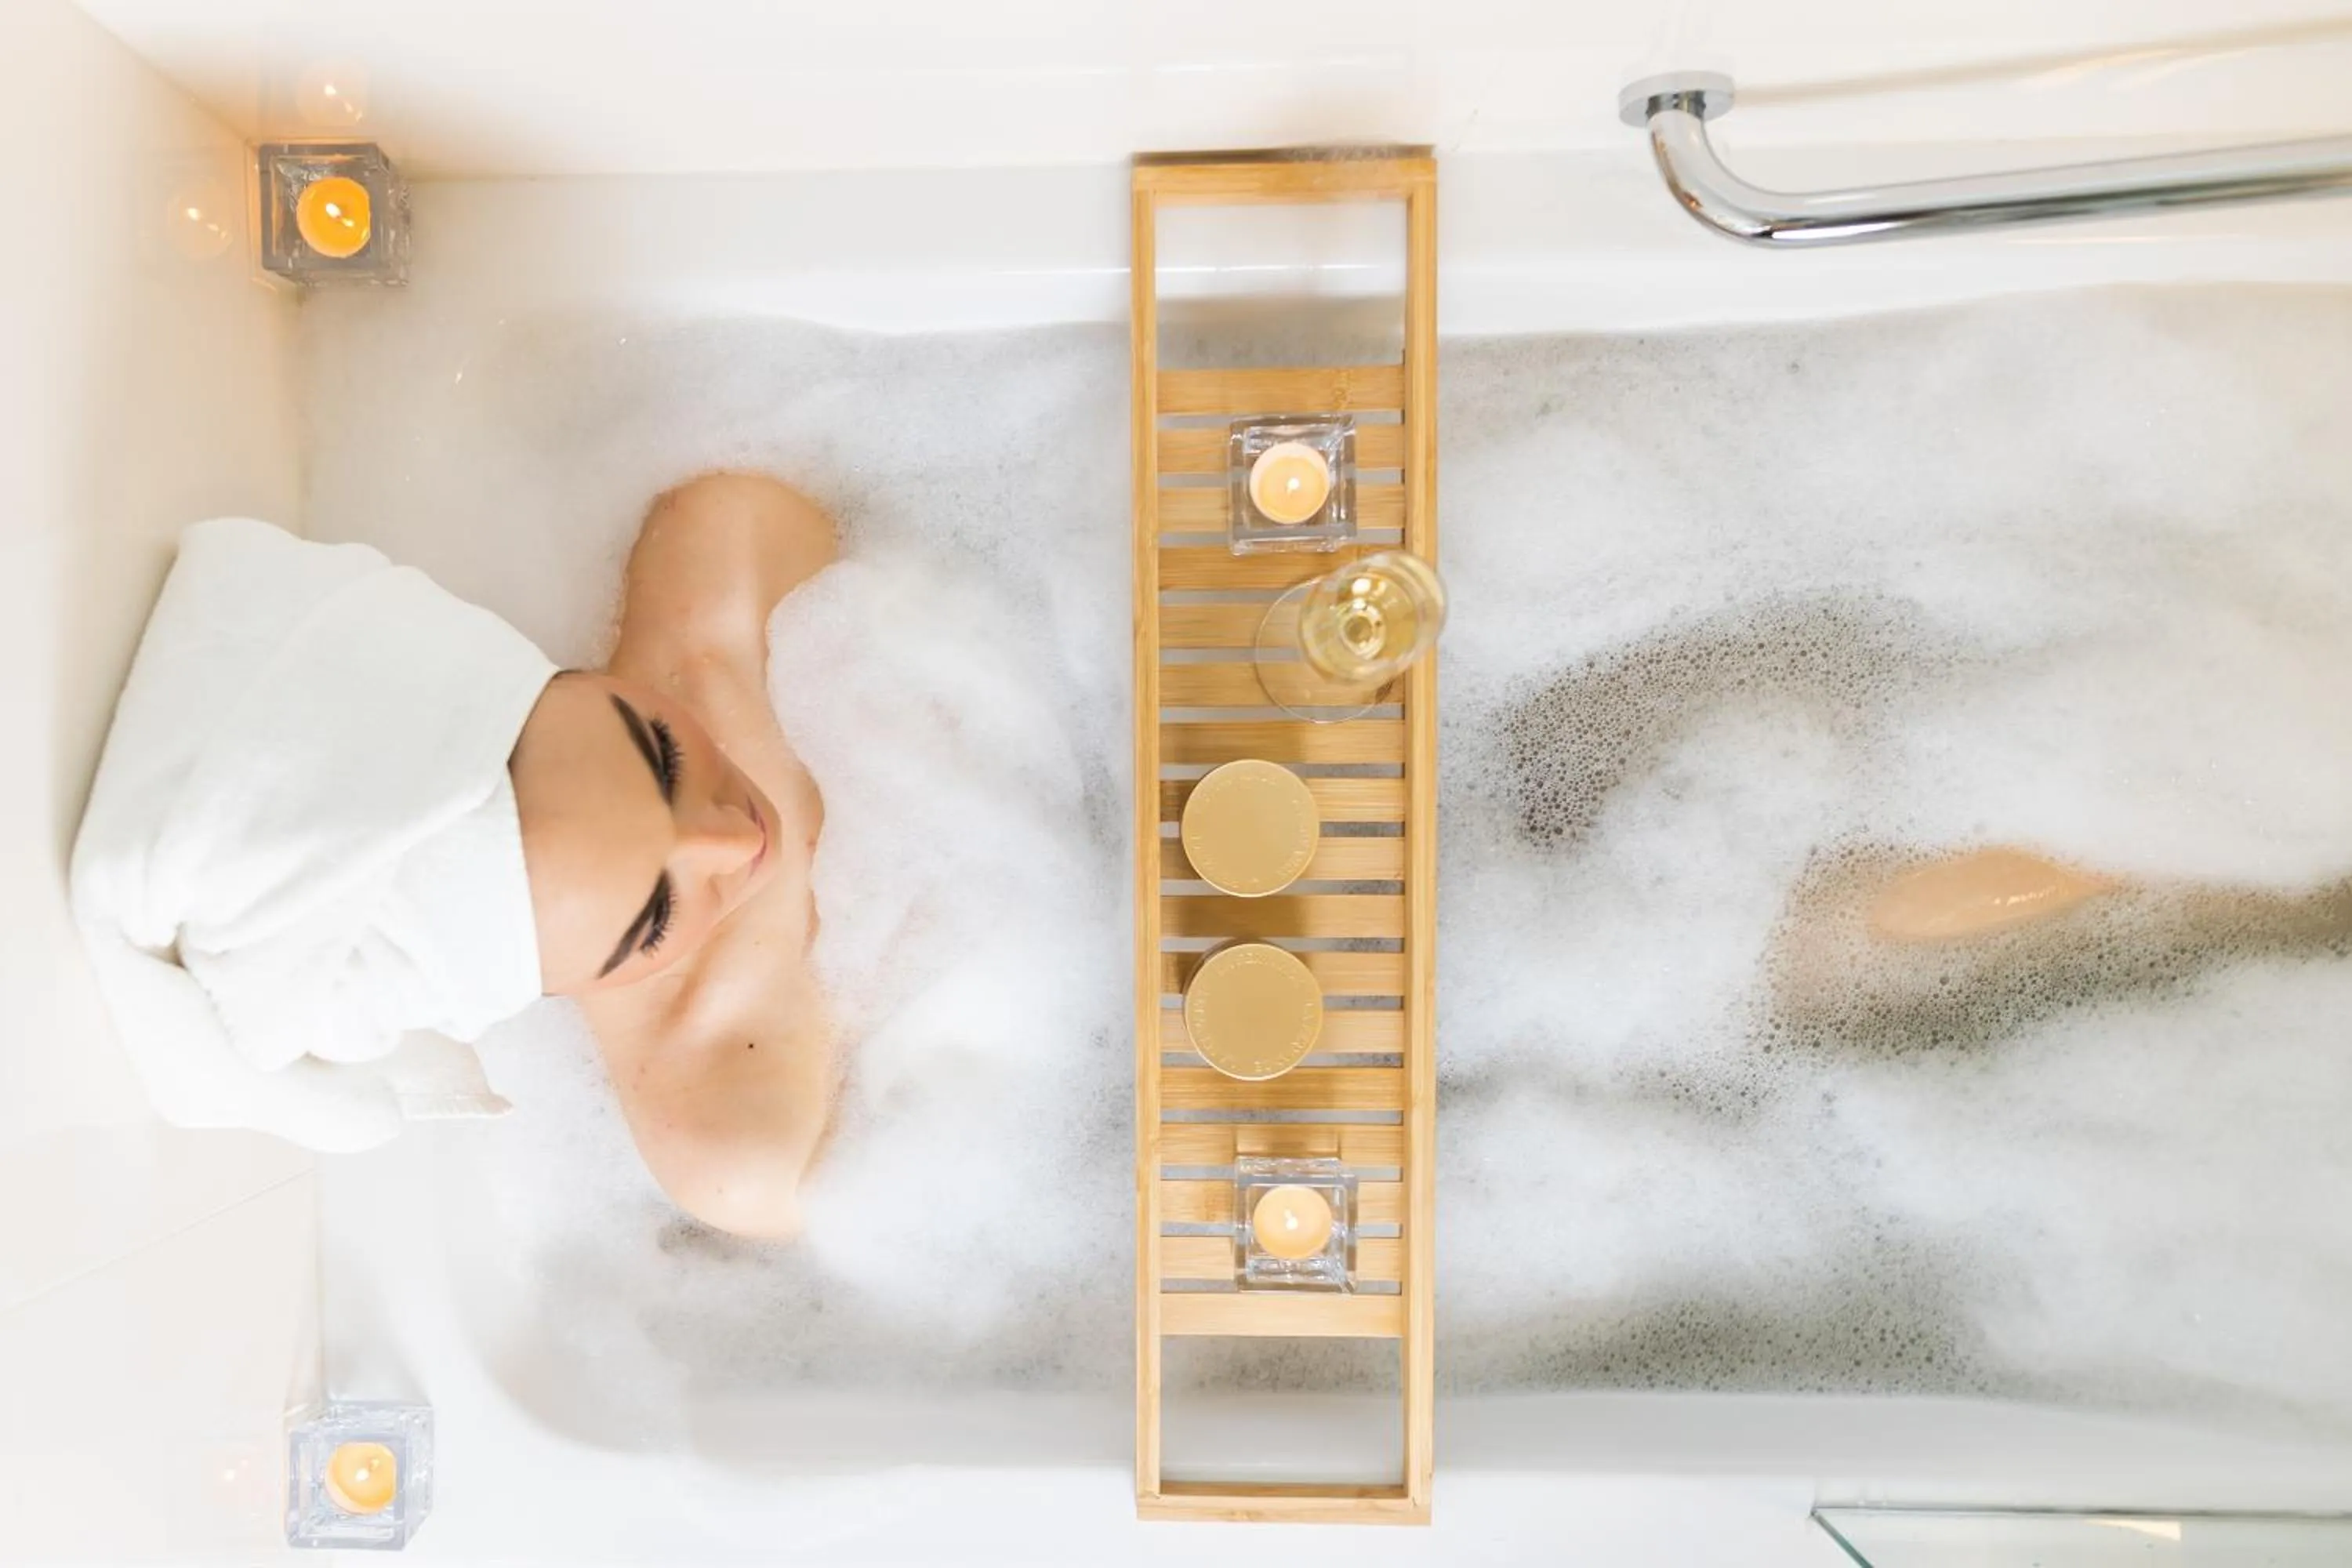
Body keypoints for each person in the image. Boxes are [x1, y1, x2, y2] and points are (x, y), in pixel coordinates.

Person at [71, 472, 837, 1240]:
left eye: (662, 752)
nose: (737, 838)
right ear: (545, 988)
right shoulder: (741, 1133)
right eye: (656, 916)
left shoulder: (723, 560)